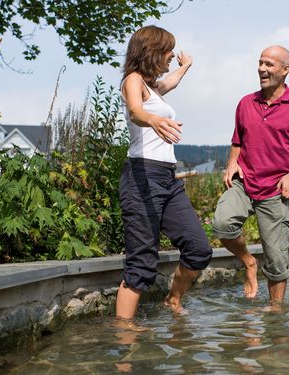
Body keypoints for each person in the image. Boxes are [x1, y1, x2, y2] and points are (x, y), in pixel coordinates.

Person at [213, 45, 289, 306]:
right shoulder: (246, 103)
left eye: (269, 64)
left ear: (285, 70)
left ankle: (276, 317)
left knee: (276, 258)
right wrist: (231, 163)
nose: (262, 68)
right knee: (222, 224)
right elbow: (237, 140)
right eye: (260, 63)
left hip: (276, 189)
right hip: (245, 182)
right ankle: (249, 262)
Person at [116, 25, 212, 320]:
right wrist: (153, 120)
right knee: (142, 262)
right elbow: (135, 110)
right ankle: (124, 337)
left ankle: (172, 300)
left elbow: (170, 82)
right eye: (169, 50)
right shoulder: (133, 80)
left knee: (199, 249)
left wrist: (185, 67)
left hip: (167, 180)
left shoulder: (153, 87)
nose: (172, 54)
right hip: (141, 177)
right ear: (152, 51)